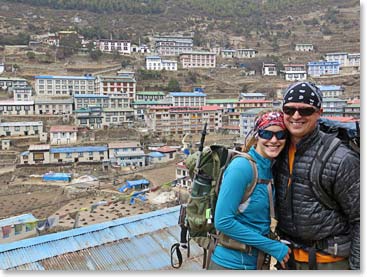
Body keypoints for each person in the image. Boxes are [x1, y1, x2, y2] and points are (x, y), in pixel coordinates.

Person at [273, 81, 360, 270]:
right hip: (287, 260)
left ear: (319, 113)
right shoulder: (276, 151)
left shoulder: (340, 159)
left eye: (305, 111)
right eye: (289, 110)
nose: (296, 116)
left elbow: (360, 219)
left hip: (329, 263)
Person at [208, 110, 291, 270]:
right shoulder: (242, 167)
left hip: (255, 264)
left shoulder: (269, 168)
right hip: (230, 264)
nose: (274, 140)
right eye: (266, 133)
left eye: (280, 135)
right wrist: (272, 246)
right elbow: (223, 221)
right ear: (257, 135)